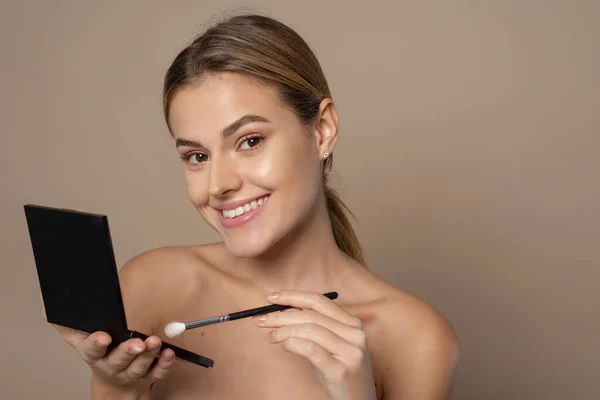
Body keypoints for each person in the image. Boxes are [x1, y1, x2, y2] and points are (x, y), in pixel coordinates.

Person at [53, 13, 459, 400]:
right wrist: (119, 389)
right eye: (197, 156)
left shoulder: (415, 337)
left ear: (322, 130)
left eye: (250, 141)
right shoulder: (152, 284)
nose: (219, 185)